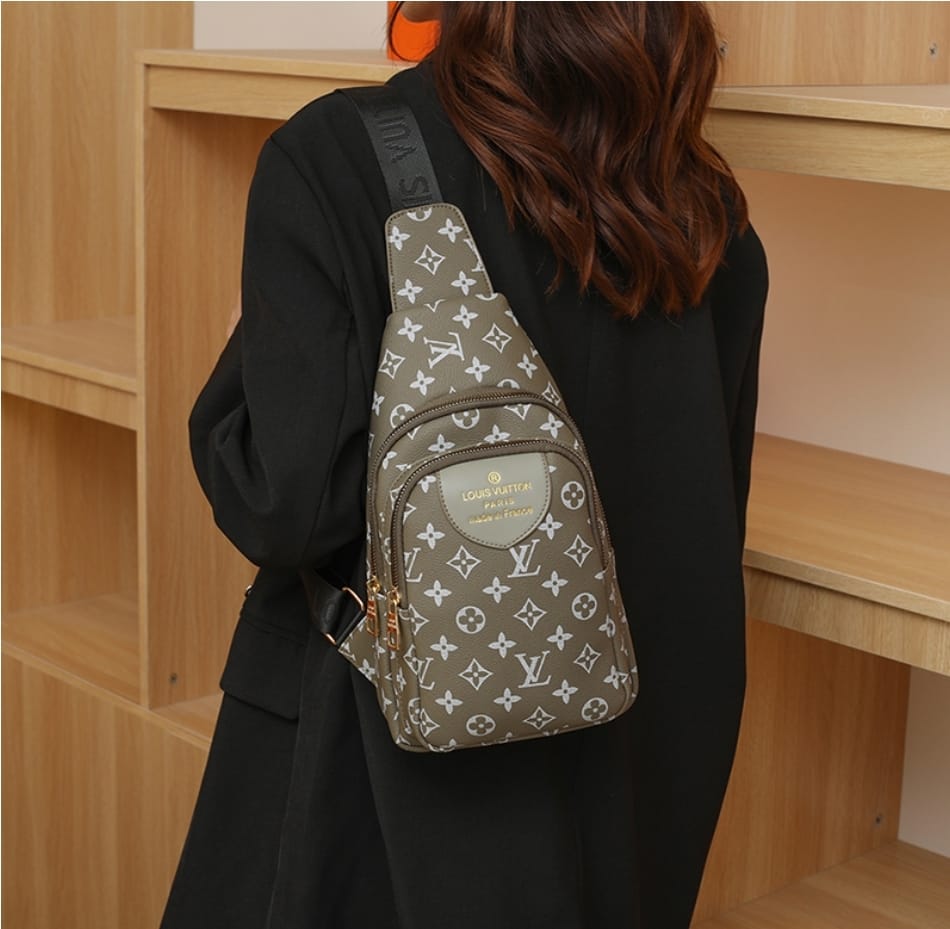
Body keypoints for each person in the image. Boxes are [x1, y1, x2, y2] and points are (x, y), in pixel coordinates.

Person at [161, 3, 768, 928]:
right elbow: (704, 500)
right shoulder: (702, 206)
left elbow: (286, 504)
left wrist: (252, 362)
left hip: (376, 785)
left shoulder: (338, 159)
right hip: (637, 771)